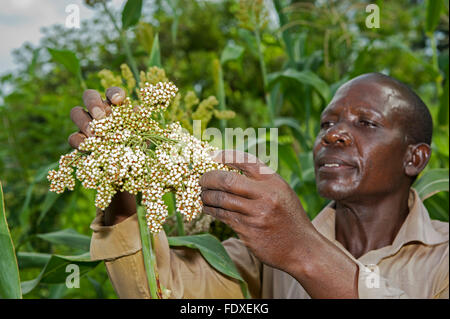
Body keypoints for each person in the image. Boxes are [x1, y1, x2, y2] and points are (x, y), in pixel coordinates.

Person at [69, 73, 448, 298]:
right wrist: (122, 182)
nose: (333, 136)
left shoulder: (443, 258)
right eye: (327, 124)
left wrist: (300, 249)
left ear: (414, 158)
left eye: (366, 123)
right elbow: (160, 291)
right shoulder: (261, 252)